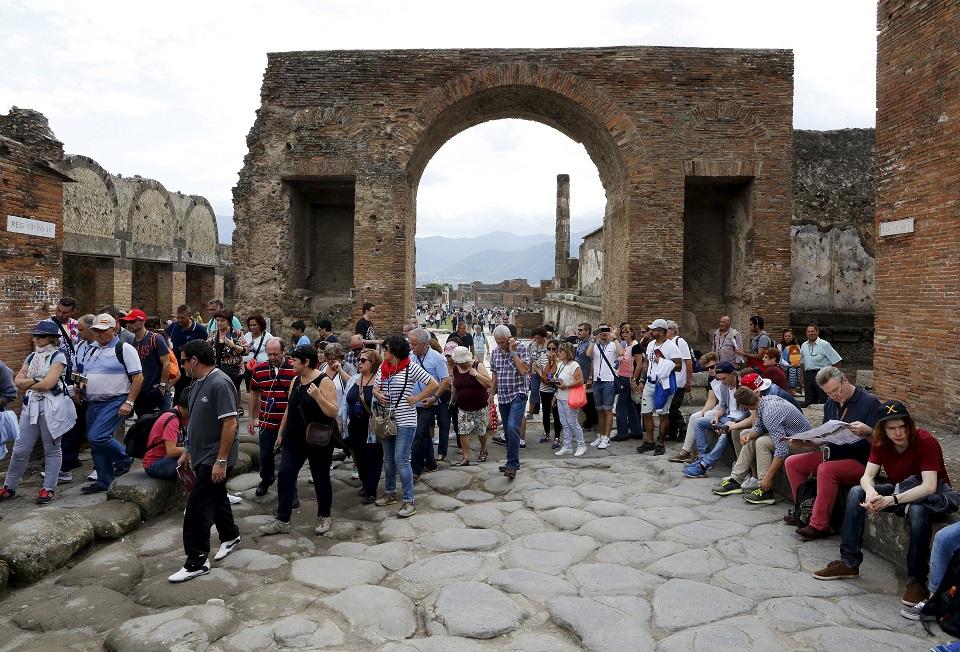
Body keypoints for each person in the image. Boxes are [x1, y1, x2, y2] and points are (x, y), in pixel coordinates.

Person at [813, 400, 954, 609]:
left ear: (909, 425)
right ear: (883, 429)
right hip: (900, 490)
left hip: (930, 499)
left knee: (916, 511)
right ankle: (849, 562)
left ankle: (916, 581)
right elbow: (867, 477)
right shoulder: (881, 442)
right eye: (891, 428)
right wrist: (871, 493)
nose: (898, 433)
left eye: (902, 427)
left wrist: (891, 499)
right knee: (856, 492)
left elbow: (929, 486)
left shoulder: (925, 441)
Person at [168, 340, 241, 583]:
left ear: (194, 361)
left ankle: (197, 560)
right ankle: (230, 536)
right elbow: (196, 421)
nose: (181, 364)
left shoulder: (219, 383)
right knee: (217, 498)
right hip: (201, 455)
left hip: (214, 458)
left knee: (197, 509)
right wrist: (188, 449)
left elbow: (230, 423)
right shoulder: (197, 381)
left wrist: (221, 461)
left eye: (183, 360)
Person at [785, 366, 880, 539]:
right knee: (792, 462)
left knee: (826, 469)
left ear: (845, 380)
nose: (834, 395)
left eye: (836, 390)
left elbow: (882, 443)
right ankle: (803, 511)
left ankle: (819, 524)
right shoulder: (830, 404)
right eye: (828, 393)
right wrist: (806, 442)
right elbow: (825, 435)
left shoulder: (870, 402)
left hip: (861, 461)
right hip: (834, 453)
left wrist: (868, 432)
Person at [259, 345, 340, 537]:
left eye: (295, 360)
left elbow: (333, 411)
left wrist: (318, 397)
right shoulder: (295, 380)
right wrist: (280, 433)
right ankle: (283, 519)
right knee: (285, 474)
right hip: (294, 437)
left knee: (320, 478)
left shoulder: (324, 381)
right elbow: (289, 408)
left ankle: (324, 515)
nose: (292, 363)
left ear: (306, 362)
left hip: (317, 439)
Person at [0, 321, 77, 505]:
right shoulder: (32, 356)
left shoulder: (58, 357)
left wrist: (30, 381)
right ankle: (9, 486)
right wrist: (36, 379)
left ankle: (48, 488)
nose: (36, 338)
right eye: (35, 335)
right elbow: (17, 381)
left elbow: (48, 384)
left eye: (41, 336)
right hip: (32, 405)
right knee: (20, 449)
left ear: (52, 338)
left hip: (51, 406)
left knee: (51, 448)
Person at [711, 386, 812, 505]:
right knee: (746, 433)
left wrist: (767, 478)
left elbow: (782, 449)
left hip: (805, 445)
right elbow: (758, 427)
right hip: (791, 438)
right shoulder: (764, 401)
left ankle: (765, 489)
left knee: (762, 442)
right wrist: (749, 436)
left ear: (744, 406)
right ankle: (736, 479)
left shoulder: (770, 413)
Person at [373, 336, 439, 517]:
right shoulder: (383, 368)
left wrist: (416, 398)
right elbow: (375, 388)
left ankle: (409, 501)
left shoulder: (411, 368)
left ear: (394, 351)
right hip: (387, 420)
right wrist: (378, 395)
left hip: (405, 421)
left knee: (401, 459)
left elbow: (433, 384)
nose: (383, 351)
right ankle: (390, 493)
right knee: (388, 459)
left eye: (386, 348)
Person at [79, 314, 141, 494]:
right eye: (96, 330)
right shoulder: (92, 349)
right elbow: (89, 374)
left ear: (114, 330)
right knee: (95, 444)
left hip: (115, 399)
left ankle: (125, 458)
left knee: (97, 437)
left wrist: (129, 402)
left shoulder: (125, 349)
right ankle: (103, 480)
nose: (98, 334)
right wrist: (81, 385)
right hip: (93, 401)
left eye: (102, 331)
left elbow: (138, 377)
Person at [681, 361, 753, 479]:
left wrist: (734, 423)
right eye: (719, 379)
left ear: (732, 374)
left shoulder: (742, 386)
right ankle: (702, 457)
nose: (722, 381)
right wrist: (716, 417)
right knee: (698, 422)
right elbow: (723, 406)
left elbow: (748, 413)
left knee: (725, 433)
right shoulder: (723, 386)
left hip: (740, 420)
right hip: (727, 417)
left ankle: (704, 465)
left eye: (724, 378)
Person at [248, 338, 297, 496]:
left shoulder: (294, 368)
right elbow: (254, 392)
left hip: (289, 422)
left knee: (289, 458)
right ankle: (266, 479)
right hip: (267, 420)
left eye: (276, 354)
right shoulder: (260, 369)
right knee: (265, 455)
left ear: (284, 351)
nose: (272, 357)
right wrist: (251, 417)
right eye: (269, 354)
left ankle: (291, 490)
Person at [340, 349, 383, 503]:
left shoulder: (380, 380)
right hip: (354, 425)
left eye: (364, 360)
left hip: (372, 427)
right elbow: (345, 402)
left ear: (373, 362)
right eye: (359, 359)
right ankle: (366, 483)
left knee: (373, 457)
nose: (359, 362)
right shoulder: (354, 380)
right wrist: (342, 421)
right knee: (359, 457)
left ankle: (371, 490)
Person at [489, 325, 530, 478]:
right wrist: (491, 395)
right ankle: (510, 462)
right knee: (507, 430)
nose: (501, 345)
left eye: (503, 342)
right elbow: (495, 375)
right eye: (498, 342)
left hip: (518, 393)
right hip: (503, 395)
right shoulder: (495, 352)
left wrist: (512, 351)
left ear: (510, 339)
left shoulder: (521, 348)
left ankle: (513, 464)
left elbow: (523, 370)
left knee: (513, 426)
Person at [637, 319, 682, 456]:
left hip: (663, 384)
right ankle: (649, 441)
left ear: (661, 331)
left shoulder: (672, 347)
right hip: (650, 382)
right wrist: (642, 379)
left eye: (654, 330)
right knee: (646, 412)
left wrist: (662, 362)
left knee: (663, 413)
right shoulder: (650, 344)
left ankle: (661, 443)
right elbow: (647, 364)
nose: (651, 332)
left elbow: (678, 366)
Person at [408, 328, 449, 475]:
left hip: (429, 403)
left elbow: (445, 380)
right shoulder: (410, 357)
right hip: (413, 404)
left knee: (418, 434)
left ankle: (415, 469)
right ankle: (431, 463)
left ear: (424, 344)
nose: (411, 347)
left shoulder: (437, 358)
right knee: (424, 435)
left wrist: (435, 397)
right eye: (410, 344)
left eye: (414, 344)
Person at [669, 352, 719, 464]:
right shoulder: (711, 380)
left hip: (723, 409)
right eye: (707, 368)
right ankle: (685, 451)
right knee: (694, 417)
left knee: (701, 419)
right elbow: (711, 399)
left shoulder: (725, 376)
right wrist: (704, 411)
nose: (710, 370)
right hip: (718, 407)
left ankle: (700, 454)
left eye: (712, 367)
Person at [122, 308, 171, 416]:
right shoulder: (131, 341)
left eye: (132, 321)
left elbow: (167, 363)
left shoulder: (155, 338)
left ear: (142, 321)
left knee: (159, 423)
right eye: (127, 322)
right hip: (141, 392)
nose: (129, 324)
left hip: (155, 390)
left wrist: (162, 385)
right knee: (143, 424)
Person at [450, 346, 493, 465]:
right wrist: (452, 400)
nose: (461, 365)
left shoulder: (477, 366)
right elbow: (455, 384)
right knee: (463, 431)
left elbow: (489, 383)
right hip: (463, 407)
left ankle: (483, 450)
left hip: (479, 405)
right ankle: (465, 457)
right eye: (459, 362)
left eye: (463, 362)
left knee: (481, 431)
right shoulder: (455, 368)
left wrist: (476, 375)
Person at [586, 323, 623, 450]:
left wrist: (614, 338)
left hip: (609, 381)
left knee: (607, 410)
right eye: (601, 330)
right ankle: (600, 435)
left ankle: (606, 438)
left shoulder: (613, 345)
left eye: (605, 330)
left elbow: (621, 353)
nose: (603, 332)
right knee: (599, 410)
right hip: (597, 381)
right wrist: (592, 339)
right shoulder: (595, 345)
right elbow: (588, 354)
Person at [208, 310, 249, 416]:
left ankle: (232, 413)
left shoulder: (237, 334)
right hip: (216, 368)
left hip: (233, 369)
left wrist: (233, 346)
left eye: (222, 320)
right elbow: (207, 347)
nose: (219, 323)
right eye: (217, 320)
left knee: (231, 392)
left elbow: (246, 351)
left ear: (228, 322)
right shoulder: (213, 334)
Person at [143, 389, 188, 481]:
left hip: (168, 459)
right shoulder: (173, 419)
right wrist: (192, 450)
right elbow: (171, 451)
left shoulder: (184, 416)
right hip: (155, 463)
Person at [165, 305, 208, 402]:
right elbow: (165, 338)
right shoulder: (173, 327)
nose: (179, 320)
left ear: (189, 316)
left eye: (182, 318)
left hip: (193, 369)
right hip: (177, 368)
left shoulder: (199, 330)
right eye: (178, 317)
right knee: (178, 393)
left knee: (192, 393)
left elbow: (206, 346)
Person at [554, 341, 588, 457]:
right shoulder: (560, 365)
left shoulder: (574, 365)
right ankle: (567, 446)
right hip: (560, 397)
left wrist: (566, 386)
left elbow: (580, 380)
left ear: (567, 352)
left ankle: (581, 445)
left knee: (572, 422)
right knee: (564, 422)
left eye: (561, 351)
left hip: (570, 398)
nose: (558, 353)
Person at [611, 323, 642, 443]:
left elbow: (639, 364)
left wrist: (634, 379)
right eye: (623, 332)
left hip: (628, 379)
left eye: (627, 332)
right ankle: (636, 431)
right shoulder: (627, 345)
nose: (625, 334)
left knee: (620, 407)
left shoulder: (635, 346)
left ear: (632, 333)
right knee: (630, 406)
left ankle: (622, 433)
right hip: (624, 376)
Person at [665, 320, 694, 441]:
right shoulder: (667, 343)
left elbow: (688, 362)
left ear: (673, 330)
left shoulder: (679, 341)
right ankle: (672, 432)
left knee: (673, 408)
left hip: (679, 382)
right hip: (670, 382)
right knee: (668, 409)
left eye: (666, 329)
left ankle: (683, 430)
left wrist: (688, 381)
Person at [800, 324, 842, 406]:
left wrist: (835, 377)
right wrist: (802, 376)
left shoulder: (824, 344)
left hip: (822, 374)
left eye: (812, 331)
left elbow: (837, 361)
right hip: (808, 375)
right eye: (808, 331)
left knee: (824, 399)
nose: (810, 333)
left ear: (817, 332)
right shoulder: (804, 345)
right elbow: (802, 362)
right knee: (809, 400)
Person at [534, 339, 562, 448]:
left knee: (556, 414)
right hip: (544, 389)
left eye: (553, 349)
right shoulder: (543, 357)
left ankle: (557, 437)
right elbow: (535, 365)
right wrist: (540, 372)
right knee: (545, 412)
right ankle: (546, 433)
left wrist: (554, 361)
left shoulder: (560, 359)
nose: (551, 351)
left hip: (555, 390)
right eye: (549, 348)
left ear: (557, 349)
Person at [574, 323, 598, 430]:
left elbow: (592, 360)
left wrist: (590, 377)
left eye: (581, 330)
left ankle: (592, 421)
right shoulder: (581, 342)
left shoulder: (590, 343)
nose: (578, 332)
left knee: (587, 402)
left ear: (587, 331)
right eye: (578, 330)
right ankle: (589, 421)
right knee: (583, 401)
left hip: (586, 376)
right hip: (580, 376)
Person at [241, 314, 272, 393]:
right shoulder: (247, 335)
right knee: (250, 390)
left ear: (260, 325)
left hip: (261, 368)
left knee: (260, 390)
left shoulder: (268, 337)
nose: (252, 327)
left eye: (254, 325)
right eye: (250, 325)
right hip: (248, 368)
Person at [526, 328, 547, 421]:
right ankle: (530, 412)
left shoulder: (549, 345)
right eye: (535, 338)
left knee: (547, 392)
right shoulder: (532, 345)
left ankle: (549, 412)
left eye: (538, 338)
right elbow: (530, 359)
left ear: (543, 337)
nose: (536, 340)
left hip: (547, 372)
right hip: (535, 372)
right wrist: (529, 371)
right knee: (534, 391)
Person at [779, 328, 803, 393]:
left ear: (792, 336)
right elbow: (780, 359)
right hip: (785, 366)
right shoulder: (780, 346)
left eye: (789, 336)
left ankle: (801, 387)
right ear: (783, 337)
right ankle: (791, 389)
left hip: (797, 365)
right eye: (785, 336)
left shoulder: (797, 346)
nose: (787, 337)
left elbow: (800, 356)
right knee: (792, 369)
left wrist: (799, 363)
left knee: (799, 370)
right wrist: (789, 365)